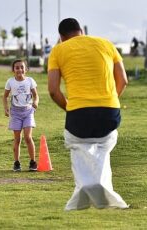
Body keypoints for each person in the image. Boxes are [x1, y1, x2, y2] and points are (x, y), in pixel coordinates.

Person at [47, 18, 129, 210]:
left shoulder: (58, 50)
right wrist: (111, 101)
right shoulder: (106, 44)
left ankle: (87, 188)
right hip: (109, 112)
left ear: (61, 37)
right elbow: (123, 80)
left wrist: (68, 106)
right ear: (81, 31)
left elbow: (53, 90)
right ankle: (100, 188)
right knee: (103, 146)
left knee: (78, 145)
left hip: (78, 113)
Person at [2, 59, 39, 172]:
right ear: (13, 70)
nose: (20, 69)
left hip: (28, 112)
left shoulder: (30, 81)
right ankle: (16, 162)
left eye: (22, 67)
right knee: (17, 139)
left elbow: (36, 95)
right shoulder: (10, 82)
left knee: (28, 137)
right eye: (17, 67)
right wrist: (6, 108)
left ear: (26, 69)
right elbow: (5, 97)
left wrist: (35, 102)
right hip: (16, 113)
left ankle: (32, 162)